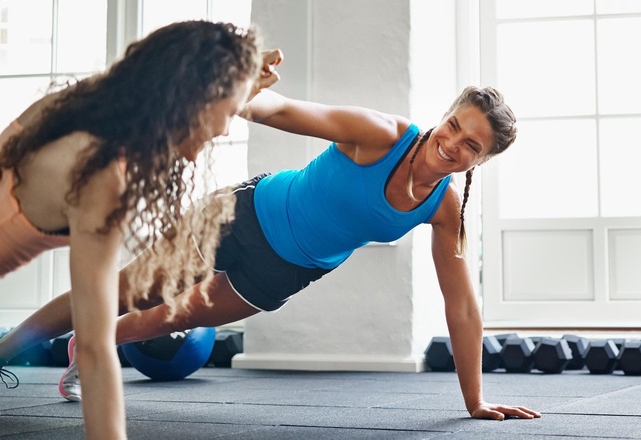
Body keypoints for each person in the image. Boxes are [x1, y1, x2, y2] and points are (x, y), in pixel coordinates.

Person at [0, 83, 541, 421]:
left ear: (482, 159)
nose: (453, 144)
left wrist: (474, 401)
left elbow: (462, 306)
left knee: (159, 322)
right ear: (444, 116)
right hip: (245, 213)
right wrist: (241, 92)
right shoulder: (383, 134)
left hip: (286, 271)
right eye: (454, 126)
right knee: (120, 290)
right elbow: (285, 111)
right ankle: (4, 350)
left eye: (472, 145)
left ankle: (83, 351)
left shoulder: (444, 208)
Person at [0, 20, 282, 439]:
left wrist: (240, 75)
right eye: (227, 112)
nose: (225, 128)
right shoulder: (100, 176)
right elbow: (94, 351)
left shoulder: (91, 106)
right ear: (189, 99)